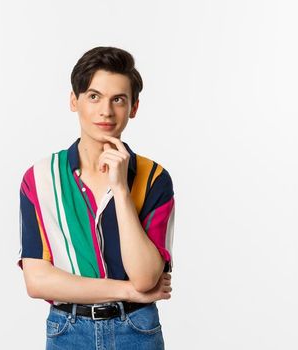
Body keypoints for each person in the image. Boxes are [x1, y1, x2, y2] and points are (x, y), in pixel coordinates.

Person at [15, 46, 176, 349]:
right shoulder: (39, 178)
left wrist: (122, 191)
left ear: (134, 107)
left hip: (137, 330)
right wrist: (128, 291)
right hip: (68, 330)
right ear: (74, 101)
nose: (106, 111)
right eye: (94, 96)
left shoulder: (154, 178)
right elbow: (37, 281)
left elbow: (145, 278)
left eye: (118, 99)